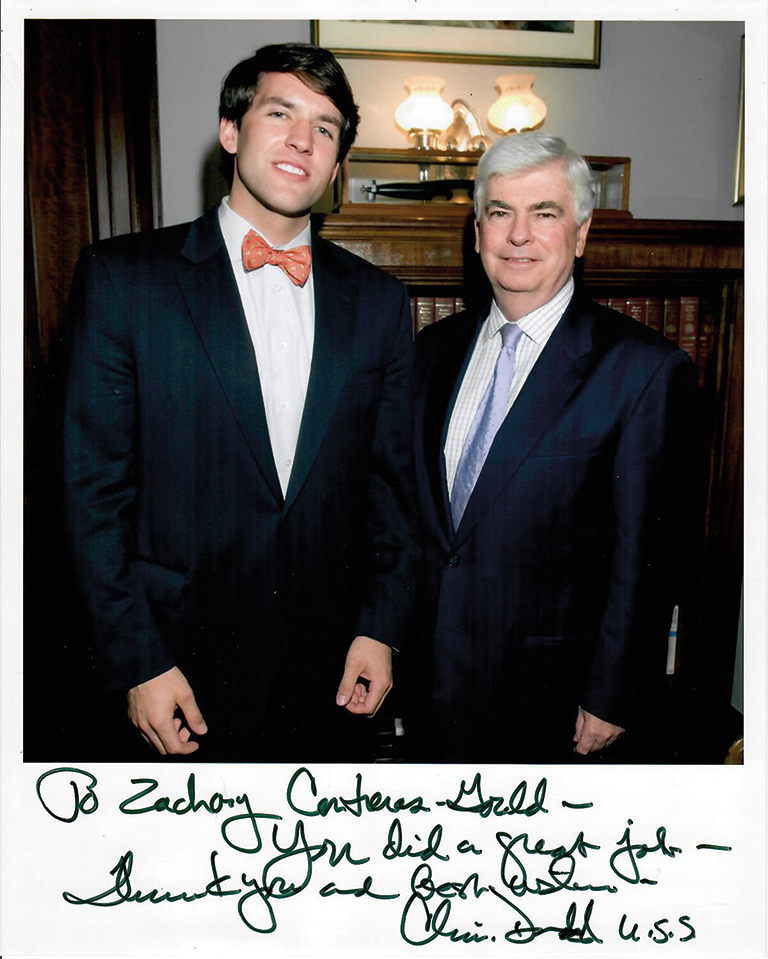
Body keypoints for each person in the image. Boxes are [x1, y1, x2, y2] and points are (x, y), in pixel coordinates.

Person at [61, 42, 417, 761]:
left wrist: (380, 627)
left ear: (339, 158)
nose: (301, 141)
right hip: (175, 667)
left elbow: (394, 488)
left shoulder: (379, 302)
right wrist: (138, 659)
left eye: (325, 127)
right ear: (231, 131)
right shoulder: (124, 279)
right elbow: (89, 494)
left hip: (329, 675)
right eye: (279, 113)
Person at [409, 133, 698, 763]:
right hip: (432, 686)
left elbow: (645, 558)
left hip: (556, 704)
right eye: (500, 212)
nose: (519, 235)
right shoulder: (432, 353)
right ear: (477, 229)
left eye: (545, 213)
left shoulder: (642, 368)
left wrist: (613, 693)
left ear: (582, 233)